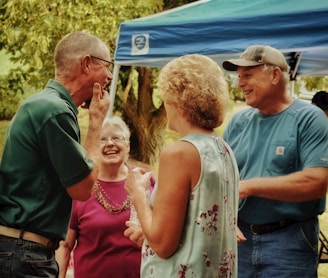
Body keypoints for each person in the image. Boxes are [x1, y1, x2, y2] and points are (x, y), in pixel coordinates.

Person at [0, 31, 112, 277]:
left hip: (21, 251)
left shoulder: (42, 104)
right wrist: (95, 122)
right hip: (25, 254)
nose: (111, 75)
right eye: (107, 65)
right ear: (86, 63)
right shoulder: (54, 110)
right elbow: (83, 189)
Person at [124, 54, 240, 277]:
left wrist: (137, 193)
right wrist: (147, 231)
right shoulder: (223, 149)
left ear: (176, 99)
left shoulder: (179, 153)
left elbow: (163, 244)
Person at [222, 45, 328, 277]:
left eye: (247, 75)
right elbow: (220, 179)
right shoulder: (237, 122)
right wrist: (227, 219)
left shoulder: (310, 119)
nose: (239, 83)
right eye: (238, 76)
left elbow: (318, 182)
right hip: (240, 240)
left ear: (274, 75)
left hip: (290, 242)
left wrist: (250, 187)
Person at [56, 116, 156, 278]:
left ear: (128, 146)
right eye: (102, 139)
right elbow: (65, 245)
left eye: (116, 138)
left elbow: (163, 232)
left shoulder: (145, 180)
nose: (110, 143)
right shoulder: (80, 187)